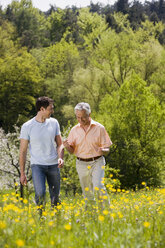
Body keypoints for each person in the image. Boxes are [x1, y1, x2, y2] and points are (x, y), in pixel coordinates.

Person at [63, 102, 112, 208]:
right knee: (87, 191)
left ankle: (106, 213)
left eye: (83, 117)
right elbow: (71, 151)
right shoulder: (74, 130)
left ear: (89, 114)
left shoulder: (99, 128)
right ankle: (91, 215)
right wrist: (67, 146)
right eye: (78, 117)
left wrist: (103, 150)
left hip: (97, 161)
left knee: (98, 186)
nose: (80, 120)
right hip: (81, 163)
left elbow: (107, 148)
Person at [19, 96, 64, 213]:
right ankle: (41, 220)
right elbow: (23, 151)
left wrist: (60, 158)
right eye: (50, 109)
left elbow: (60, 144)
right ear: (42, 109)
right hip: (37, 165)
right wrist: (22, 173)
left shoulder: (54, 123)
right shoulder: (27, 126)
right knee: (40, 193)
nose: (52, 111)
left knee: (55, 196)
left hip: (54, 165)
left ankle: (57, 221)